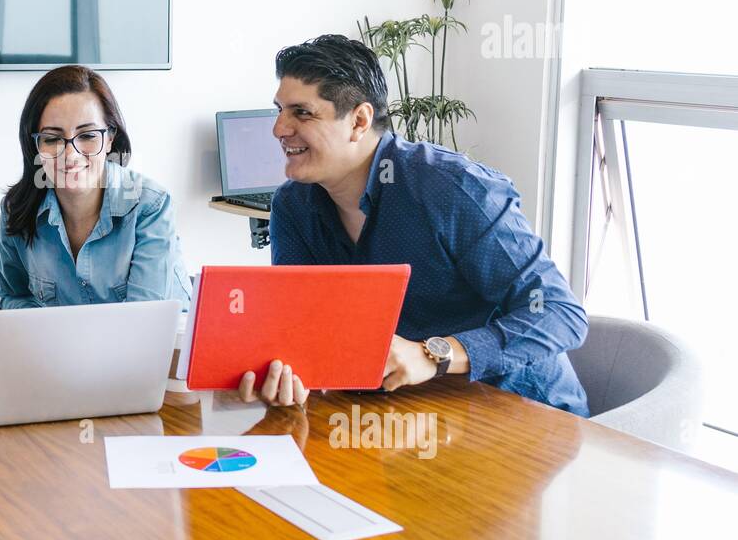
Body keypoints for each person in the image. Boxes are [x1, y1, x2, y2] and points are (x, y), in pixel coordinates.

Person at [238, 34, 589, 416]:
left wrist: (434, 354)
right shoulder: (293, 205)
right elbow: (304, 328)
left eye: (301, 113)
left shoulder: (454, 189)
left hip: (521, 413)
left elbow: (558, 312)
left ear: (359, 120)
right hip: (400, 417)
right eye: (279, 110)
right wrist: (286, 373)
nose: (278, 129)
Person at [0, 65, 191, 311]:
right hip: (61, 348)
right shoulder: (16, 209)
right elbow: (13, 296)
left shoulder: (150, 205)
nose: (71, 155)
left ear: (109, 138)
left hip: (157, 347)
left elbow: (143, 323)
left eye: (87, 136)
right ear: (35, 146)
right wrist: (45, 333)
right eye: (53, 139)